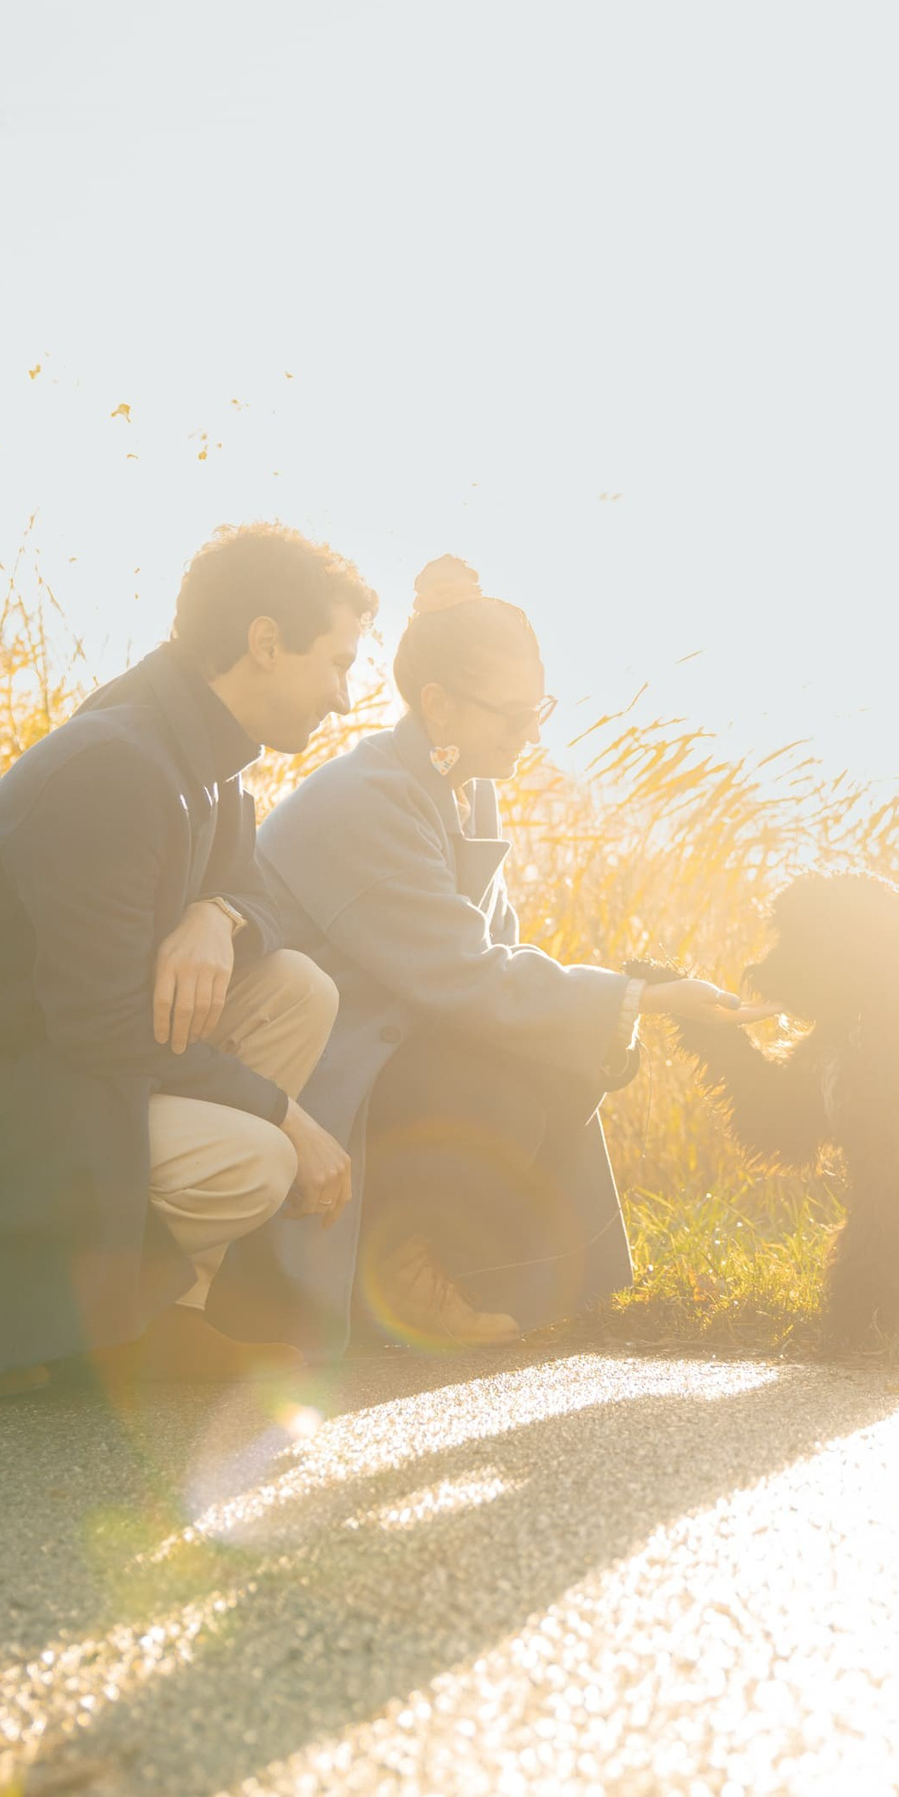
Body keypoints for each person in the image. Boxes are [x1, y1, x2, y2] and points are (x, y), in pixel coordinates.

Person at [0, 524, 375, 1406]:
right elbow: (102, 1023)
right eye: (336, 663)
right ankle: (110, 1325)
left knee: (299, 989)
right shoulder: (119, 767)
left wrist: (214, 916)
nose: (343, 695)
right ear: (265, 642)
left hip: (42, 1061)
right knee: (258, 1159)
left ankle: (163, 1314)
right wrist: (286, 1116)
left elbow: (269, 903)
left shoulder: (206, 762)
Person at [212, 555, 760, 1354]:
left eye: (538, 706)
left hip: (385, 1046)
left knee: (557, 1063)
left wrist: (628, 996)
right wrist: (639, 1000)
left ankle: (445, 1262)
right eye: (511, 714)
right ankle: (393, 1267)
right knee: (504, 1083)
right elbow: (465, 974)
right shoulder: (365, 801)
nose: (532, 732)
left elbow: (496, 952)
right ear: (438, 705)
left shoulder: (462, 782)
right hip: (311, 1077)